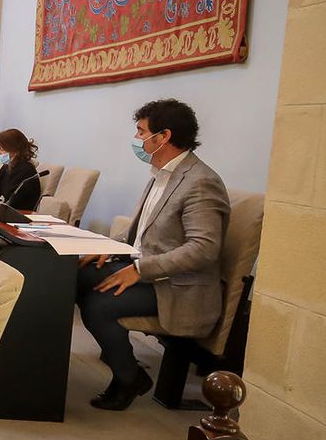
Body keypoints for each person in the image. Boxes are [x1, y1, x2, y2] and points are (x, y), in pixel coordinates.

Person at [76, 99, 229, 411]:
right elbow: (140, 234)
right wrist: (108, 249)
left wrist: (139, 270)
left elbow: (204, 249)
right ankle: (44, 368)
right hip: (148, 271)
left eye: (141, 132)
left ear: (163, 137)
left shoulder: (201, 182)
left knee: (99, 304)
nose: (137, 139)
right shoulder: (160, 174)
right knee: (74, 275)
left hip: (178, 288)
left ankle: (129, 377)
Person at [0, 128, 43, 210]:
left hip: (21, 215)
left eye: (1, 149)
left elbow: (14, 203)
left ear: (15, 150)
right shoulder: (6, 167)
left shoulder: (26, 170)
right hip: (6, 212)